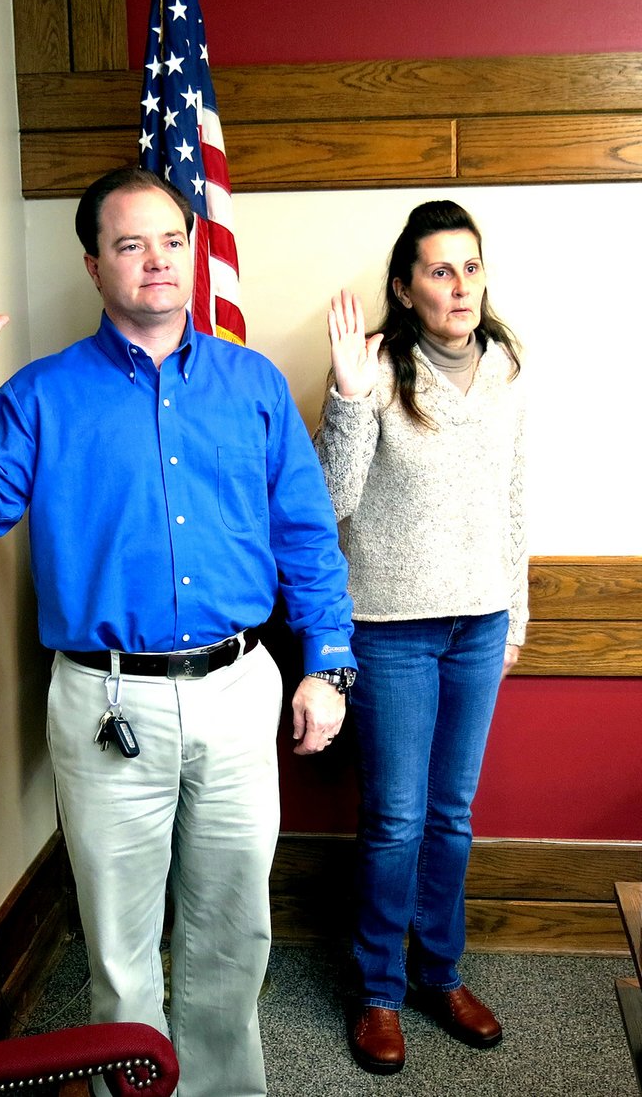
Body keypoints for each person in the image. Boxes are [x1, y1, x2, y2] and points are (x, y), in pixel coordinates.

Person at [0, 166, 357, 1097]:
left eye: (172, 240)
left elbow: (307, 535)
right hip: (107, 698)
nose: (158, 261)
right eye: (130, 243)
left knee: (235, 927)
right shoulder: (41, 396)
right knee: (119, 934)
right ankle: (137, 1090)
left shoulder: (254, 385)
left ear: (194, 252)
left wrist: (328, 666)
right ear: (94, 263)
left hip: (238, 690)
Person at [313, 200, 527, 1076]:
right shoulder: (376, 369)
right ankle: (378, 990)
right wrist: (348, 398)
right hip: (391, 629)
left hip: (479, 624)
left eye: (470, 267)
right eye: (440, 270)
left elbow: (517, 496)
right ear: (405, 287)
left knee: (452, 816)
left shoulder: (507, 365)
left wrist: (515, 613)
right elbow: (331, 501)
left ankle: (441, 973)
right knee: (395, 818)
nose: (460, 285)